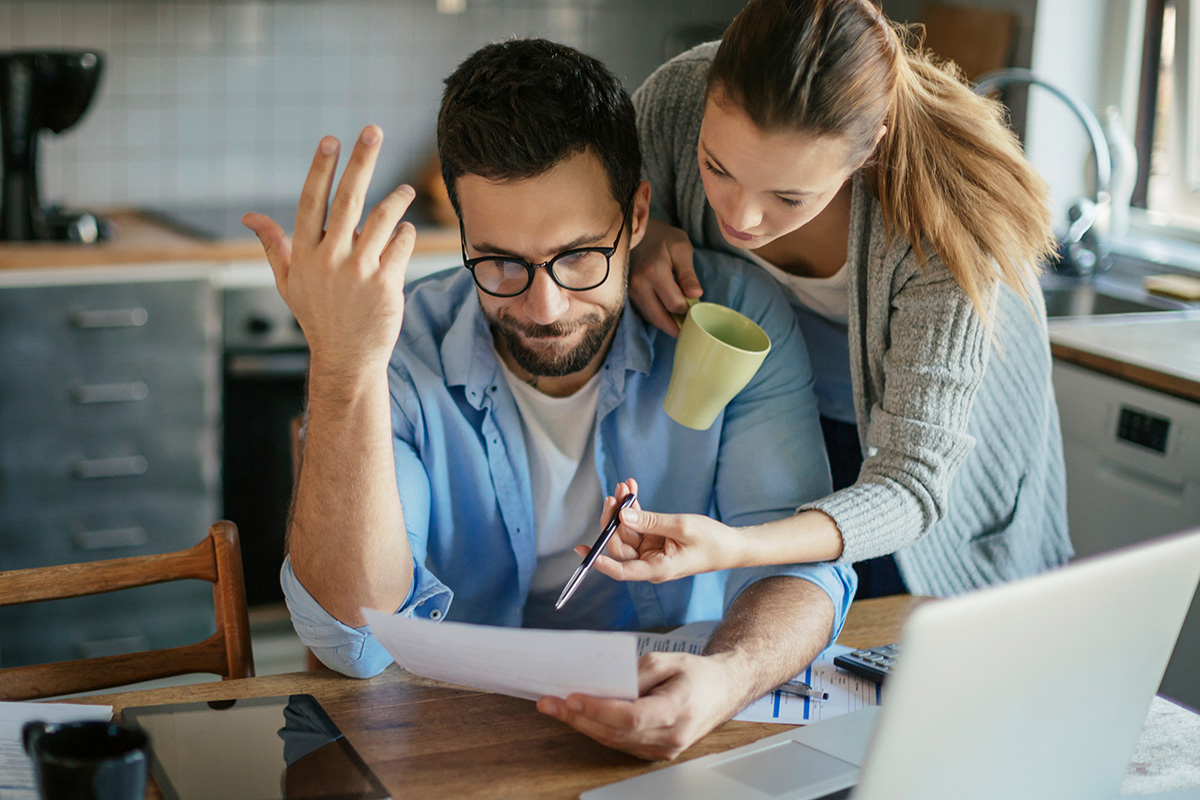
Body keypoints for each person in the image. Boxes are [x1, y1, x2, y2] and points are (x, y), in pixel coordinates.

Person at [243, 38, 855, 762]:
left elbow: (797, 564)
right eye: (501, 262)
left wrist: (729, 678)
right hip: (455, 744)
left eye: (578, 256)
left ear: (636, 217)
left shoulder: (734, 320)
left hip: (669, 735)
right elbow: (351, 635)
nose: (545, 305)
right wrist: (345, 366)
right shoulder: (395, 350)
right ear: (462, 237)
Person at [584, 0, 1071, 598]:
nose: (740, 215)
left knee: (884, 646)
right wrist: (645, 234)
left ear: (869, 151)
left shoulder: (941, 229)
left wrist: (741, 546)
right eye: (717, 167)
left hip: (921, 463)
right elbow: (600, 206)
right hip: (779, 412)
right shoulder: (678, 100)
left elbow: (910, 485)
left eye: (789, 197)